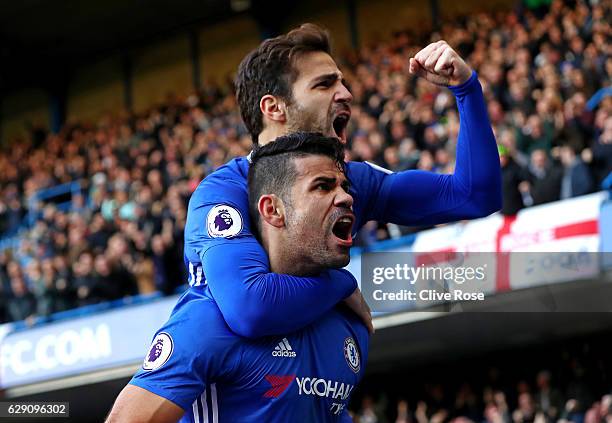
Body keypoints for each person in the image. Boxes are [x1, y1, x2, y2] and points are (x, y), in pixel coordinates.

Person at [182, 23, 501, 338]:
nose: (346, 94)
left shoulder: (355, 182)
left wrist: (466, 88)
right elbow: (250, 308)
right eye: (324, 85)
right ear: (274, 108)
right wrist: (342, 283)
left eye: (343, 83)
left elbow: (474, 195)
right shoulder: (223, 194)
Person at [107, 133, 369, 422]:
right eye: (322, 186)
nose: (346, 197)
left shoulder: (350, 322)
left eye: (345, 187)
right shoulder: (208, 321)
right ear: (273, 210)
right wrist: (344, 282)